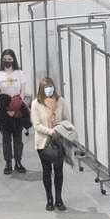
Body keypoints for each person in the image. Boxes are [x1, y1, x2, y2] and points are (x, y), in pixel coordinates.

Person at [32, 77, 74, 211]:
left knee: (58, 170)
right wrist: (50, 131)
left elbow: (67, 120)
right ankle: (49, 199)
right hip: (43, 143)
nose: (49, 90)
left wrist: (60, 129)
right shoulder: (36, 104)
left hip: (59, 141)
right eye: (46, 88)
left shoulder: (60, 101)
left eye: (51, 87)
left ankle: (59, 198)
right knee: (46, 170)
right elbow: (36, 125)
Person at [0, 48, 30, 175]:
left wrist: (16, 105)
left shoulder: (20, 73)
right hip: (3, 109)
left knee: (18, 138)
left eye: (10, 59)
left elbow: (23, 91)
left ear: (13, 60)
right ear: (2, 60)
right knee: (6, 138)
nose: (7, 61)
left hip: (17, 108)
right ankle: (8, 162)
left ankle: (18, 161)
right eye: (5, 59)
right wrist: (7, 108)